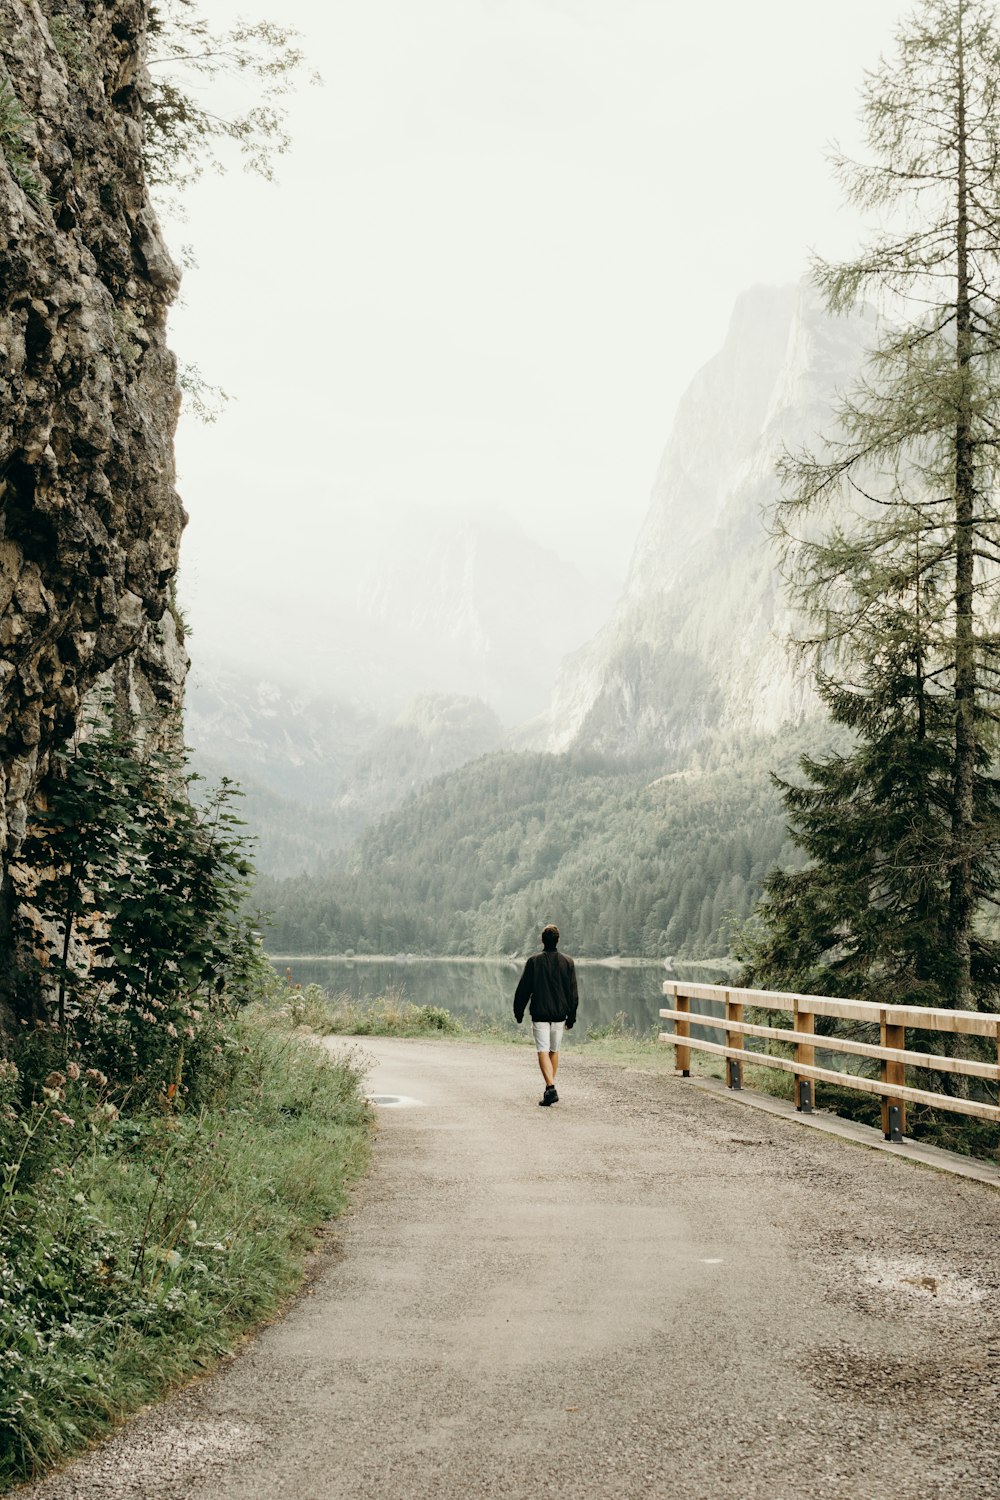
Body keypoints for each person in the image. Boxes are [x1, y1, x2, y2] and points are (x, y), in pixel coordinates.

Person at [513, 924, 579, 1106]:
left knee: (542, 1050)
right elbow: (573, 992)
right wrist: (571, 1016)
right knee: (554, 1051)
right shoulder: (568, 962)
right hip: (559, 1014)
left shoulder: (534, 962)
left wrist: (518, 1011)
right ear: (558, 940)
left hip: (540, 1013)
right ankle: (550, 1088)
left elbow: (523, 990)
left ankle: (550, 1086)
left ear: (543, 940)